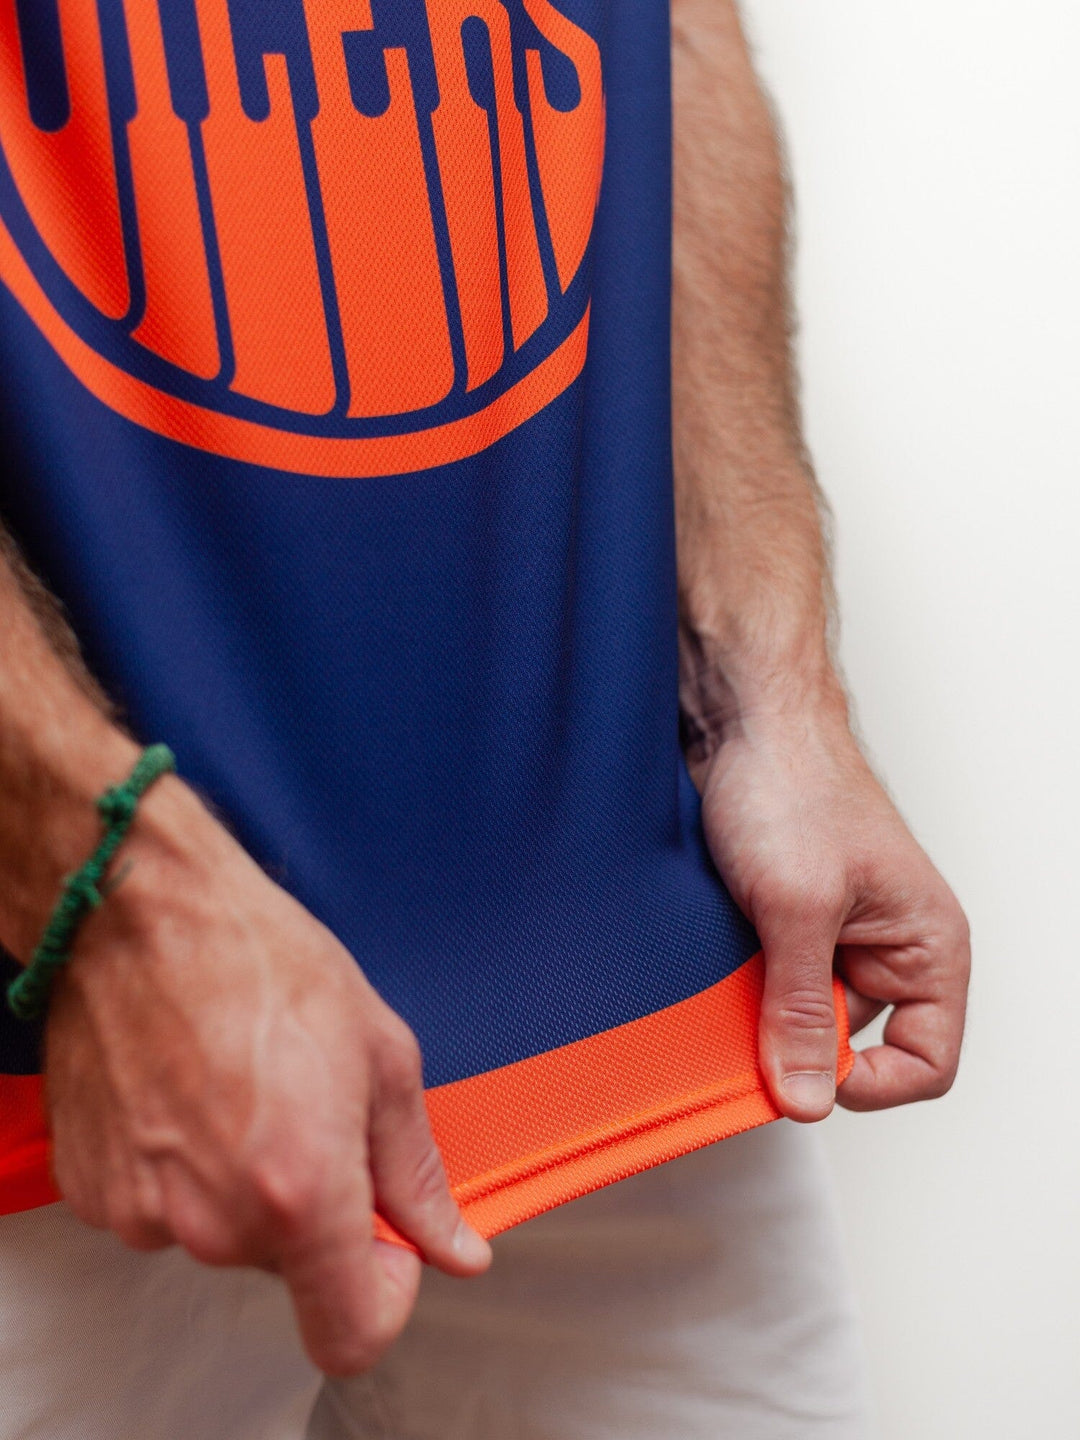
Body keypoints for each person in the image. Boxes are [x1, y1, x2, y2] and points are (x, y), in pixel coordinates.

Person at [0, 0, 969, 1436]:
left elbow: (675, 34)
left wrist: (772, 688)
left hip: (623, 976)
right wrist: (113, 896)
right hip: (93, 1033)